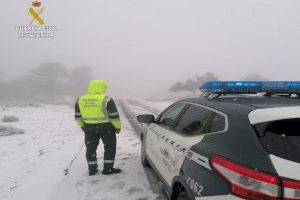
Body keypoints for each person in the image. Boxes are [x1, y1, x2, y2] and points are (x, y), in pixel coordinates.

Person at [75, 80, 122, 176]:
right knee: (109, 148)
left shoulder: (80, 99)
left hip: (89, 128)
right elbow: (114, 116)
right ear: (103, 87)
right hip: (106, 128)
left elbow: (78, 116)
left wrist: (82, 126)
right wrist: (117, 127)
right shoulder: (106, 99)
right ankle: (107, 169)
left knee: (90, 149)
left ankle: (92, 170)